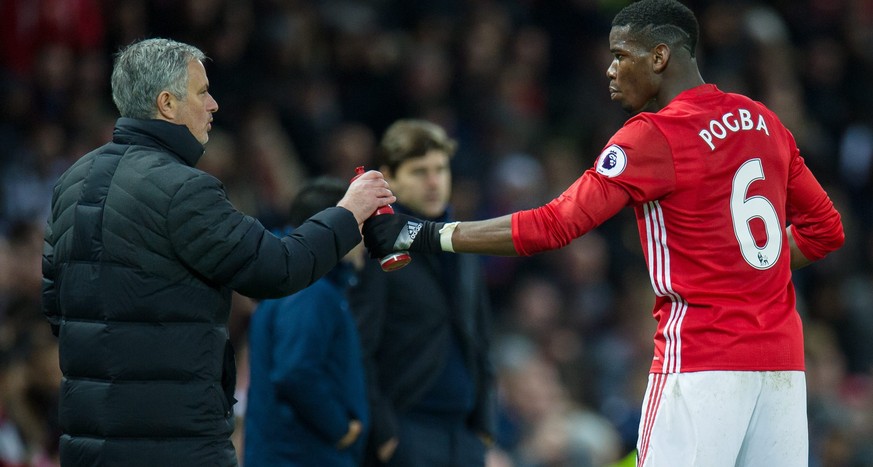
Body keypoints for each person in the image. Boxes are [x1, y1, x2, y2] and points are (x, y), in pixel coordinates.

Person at [361, 1, 845, 466]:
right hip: (782, 365)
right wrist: (751, 273)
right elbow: (826, 229)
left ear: (658, 57)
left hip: (702, 360)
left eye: (620, 56)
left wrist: (422, 234)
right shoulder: (764, 121)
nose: (610, 71)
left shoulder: (653, 135)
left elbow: (553, 225)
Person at [40, 38, 394, 466]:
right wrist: (348, 212)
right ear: (167, 103)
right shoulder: (183, 189)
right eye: (202, 91)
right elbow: (278, 268)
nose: (214, 105)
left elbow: (56, 305)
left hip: (86, 441)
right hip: (175, 442)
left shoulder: (72, 182)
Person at [348, 119, 496, 466]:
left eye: (440, 169)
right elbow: (359, 345)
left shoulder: (460, 241)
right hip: (409, 431)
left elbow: (482, 336)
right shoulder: (378, 247)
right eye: (419, 171)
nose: (434, 182)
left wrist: (485, 425)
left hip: (464, 434)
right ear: (389, 176)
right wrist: (384, 433)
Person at [244, 176, 369, 466]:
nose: (366, 239)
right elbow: (295, 370)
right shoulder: (311, 290)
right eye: (361, 224)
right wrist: (340, 427)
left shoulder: (298, 283)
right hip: (303, 454)